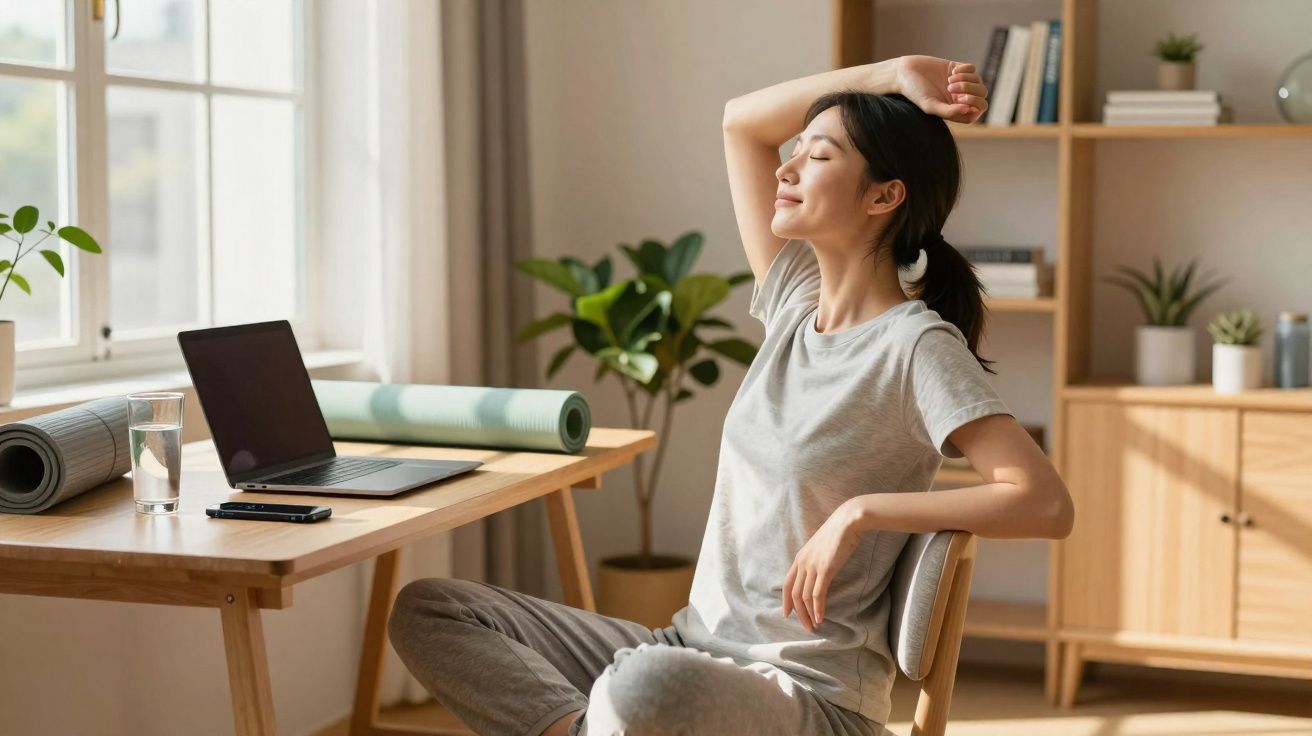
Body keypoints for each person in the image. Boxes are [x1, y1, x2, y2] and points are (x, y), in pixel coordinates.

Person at [387, 54, 1074, 736]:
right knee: (430, 610)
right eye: (795, 151)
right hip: (690, 650)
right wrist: (890, 75)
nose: (786, 167)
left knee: (640, 685)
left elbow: (1043, 501)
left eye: (819, 156)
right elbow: (740, 123)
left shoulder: (915, 346)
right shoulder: (793, 303)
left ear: (883, 196)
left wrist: (861, 513)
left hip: (809, 696)